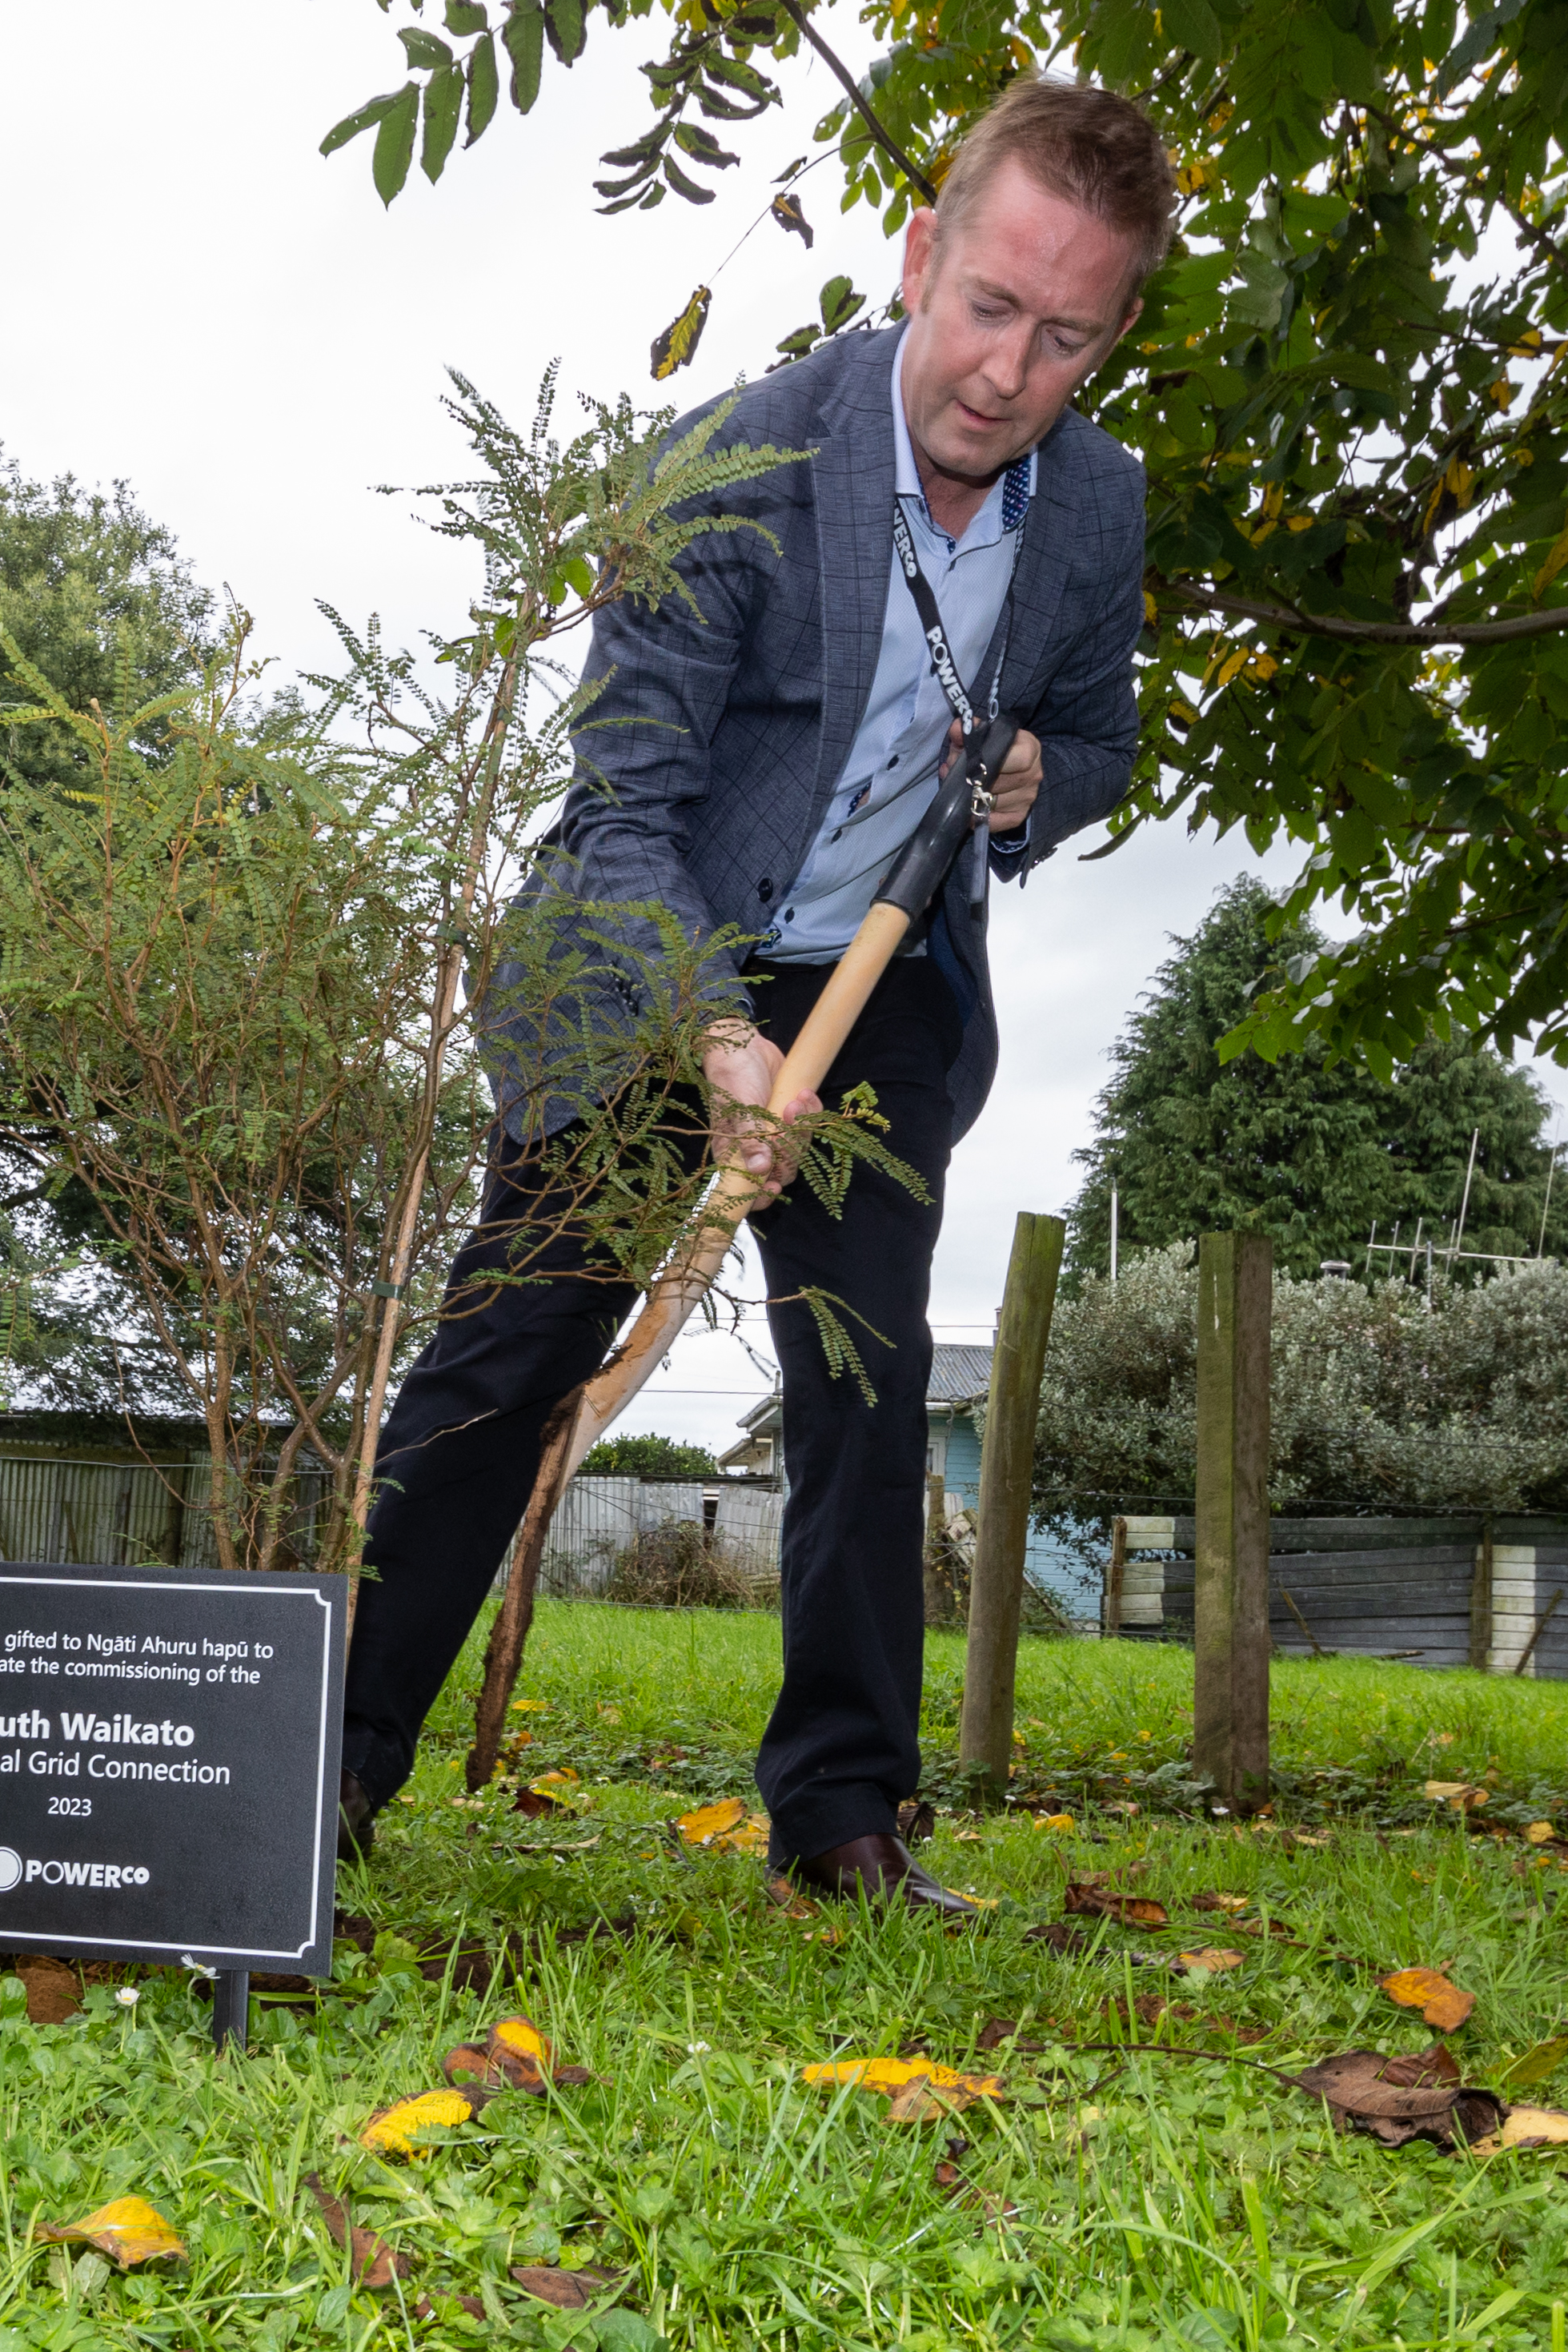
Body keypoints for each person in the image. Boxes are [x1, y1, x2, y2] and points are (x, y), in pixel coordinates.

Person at [338, 78, 1176, 1910]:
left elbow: (1104, 737)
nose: (1003, 371)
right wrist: (714, 1034)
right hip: (647, 952)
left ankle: (838, 1822)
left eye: (1062, 337)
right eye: (983, 306)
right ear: (917, 258)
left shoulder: (1095, 507)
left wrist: (1041, 771)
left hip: (879, 988)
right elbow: (621, 806)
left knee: (859, 1385)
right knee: (512, 1348)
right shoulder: (728, 460)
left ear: (1104, 340)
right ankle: (321, 1776)